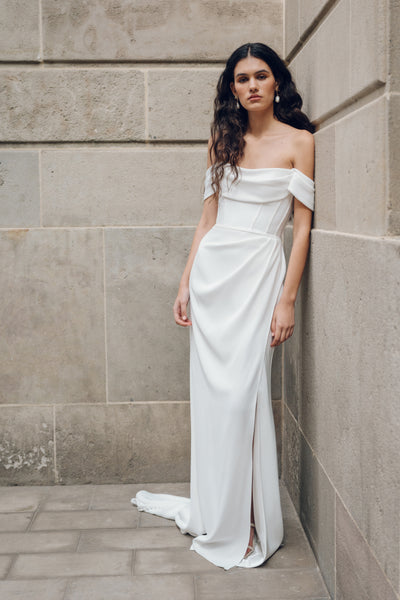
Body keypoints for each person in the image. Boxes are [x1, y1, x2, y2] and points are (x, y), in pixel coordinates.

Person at [131, 42, 315, 570]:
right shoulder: (223, 139)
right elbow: (207, 221)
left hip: (259, 278)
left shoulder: (300, 142)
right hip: (214, 280)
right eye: (241, 79)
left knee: (246, 398)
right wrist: (185, 281)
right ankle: (226, 512)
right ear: (231, 89)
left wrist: (288, 300)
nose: (252, 85)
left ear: (277, 82)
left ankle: (252, 521)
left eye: (261, 76)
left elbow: (300, 229)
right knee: (217, 404)